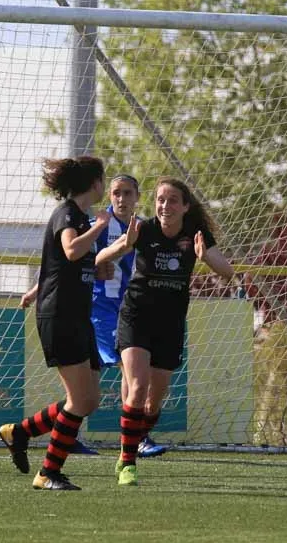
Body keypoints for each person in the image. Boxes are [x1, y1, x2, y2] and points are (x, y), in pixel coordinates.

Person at [96, 176, 235, 486]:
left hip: (169, 323)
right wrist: (122, 248)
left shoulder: (195, 235)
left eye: (172, 200)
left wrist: (205, 256)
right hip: (136, 316)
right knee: (137, 387)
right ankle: (128, 462)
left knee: (152, 404)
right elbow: (101, 256)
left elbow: (227, 271)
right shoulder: (143, 230)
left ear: (185, 206)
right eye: (160, 199)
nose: (165, 205)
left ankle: (134, 438)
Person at [0, 155, 108, 491]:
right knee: (80, 400)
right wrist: (101, 226)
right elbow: (71, 250)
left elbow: (64, 265)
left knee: (88, 400)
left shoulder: (82, 218)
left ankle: (18, 432)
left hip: (77, 315)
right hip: (60, 315)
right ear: (95, 183)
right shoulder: (68, 214)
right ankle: (48, 473)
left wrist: (104, 263)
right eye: (103, 179)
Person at [90, 174, 168, 458]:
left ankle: (38, 431)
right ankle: (137, 438)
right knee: (131, 370)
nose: (121, 199)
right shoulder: (98, 226)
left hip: (132, 310)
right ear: (109, 196)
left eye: (127, 193)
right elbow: (75, 259)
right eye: (116, 193)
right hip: (102, 311)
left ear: (137, 197)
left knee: (87, 383)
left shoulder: (145, 228)